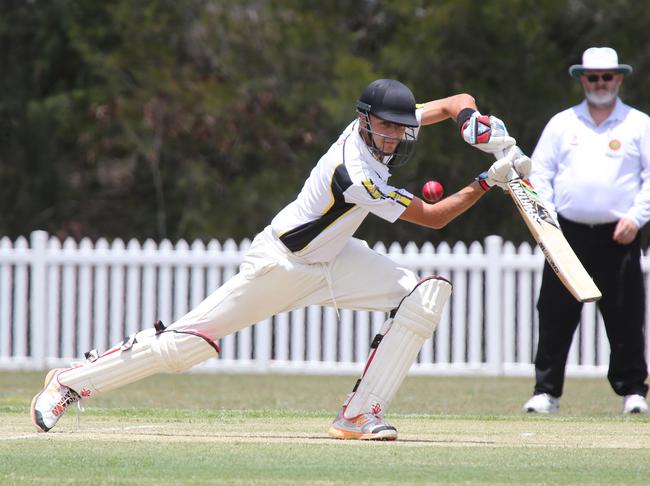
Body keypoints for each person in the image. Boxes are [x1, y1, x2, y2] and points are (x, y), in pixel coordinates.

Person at [31, 79, 530, 440]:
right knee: (185, 347)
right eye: (385, 129)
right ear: (364, 121)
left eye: (401, 130)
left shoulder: (388, 125)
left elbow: (452, 103)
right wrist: (490, 180)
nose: (394, 137)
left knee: (420, 297)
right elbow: (435, 217)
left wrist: (474, 124)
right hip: (282, 264)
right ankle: (70, 382)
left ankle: (358, 415)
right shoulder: (356, 173)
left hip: (334, 260)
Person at [524, 47, 650, 415]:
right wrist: (547, 222)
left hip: (620, 233)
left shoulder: (638, 124)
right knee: (554, 313)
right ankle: (546, 392)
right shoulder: (563, 124)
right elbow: (539, 174)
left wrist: (636, 218)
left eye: (606, 77)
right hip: (566, 235)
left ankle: (633, 392)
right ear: (582, 79)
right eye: (593, 77)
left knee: (626, 315)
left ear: (619, 78)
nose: (600, 84)